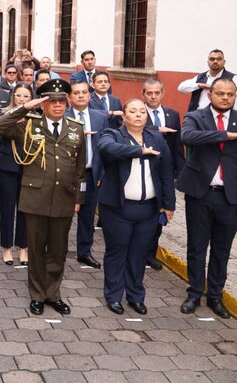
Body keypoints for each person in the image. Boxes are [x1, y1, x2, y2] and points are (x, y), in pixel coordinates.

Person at [0, 79, 86, 316]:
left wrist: (78, 198)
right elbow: (0, 127)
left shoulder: (76, 128)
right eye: (51, 102)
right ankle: (36, 295)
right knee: (35, 250)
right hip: (35, 197)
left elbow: (79, 168)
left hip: (64, 198)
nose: (57, 106)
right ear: (43, 104)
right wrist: (26, 106)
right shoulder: (29, 124)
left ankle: (53, 294)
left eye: (61, 101)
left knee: (58, 250)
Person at [97, 99, 175, 315]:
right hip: (117, 208)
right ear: (124, 115)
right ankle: (113, 296)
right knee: (117, 252)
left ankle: (135, 296)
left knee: (139, 254)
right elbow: (107, 149)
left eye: (142, 111)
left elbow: (166, 172)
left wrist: (168, 205)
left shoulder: (156, 138)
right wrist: (139, 151)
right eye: (133, 111)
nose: (139, 115)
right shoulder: (112, 135)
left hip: (148, 208)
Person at [176, 77, 237, 319]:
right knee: (197, 247)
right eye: (220, 93)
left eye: (230, 94)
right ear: (210, 94)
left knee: (222, 249)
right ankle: (194, 293)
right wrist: (227, 135)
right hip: (200, 193)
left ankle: (215, 296)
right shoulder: (196, 117)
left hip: (230, 197)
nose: (225, 98)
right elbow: (188, 137)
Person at [66, 80, 109, 269]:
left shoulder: (100, 117)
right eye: (76, 93)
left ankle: (84, 252)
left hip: (92, 173)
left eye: (84, 92)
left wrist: (103, 173)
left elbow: (105, 147)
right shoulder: (63, 117)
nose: (81, 95)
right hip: (67, 175)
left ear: (90, 96)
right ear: (70, 97)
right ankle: (57, 250)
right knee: (63, 214)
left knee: (87, 215)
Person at [142, 78, 184, 270]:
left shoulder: (173, 115)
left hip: (165, 172)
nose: (153, 96)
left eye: (156, 93)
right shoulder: (138, 113)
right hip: (144, 169)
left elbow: (177, 146)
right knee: (144, 213)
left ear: (162, 93)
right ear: (143, 94)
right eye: (149, 93)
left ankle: (151, 253)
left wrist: (179, 172)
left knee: (161, 214)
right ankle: (138, 252)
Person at [0, 83, 33, 265]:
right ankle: (6, 248)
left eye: (26, 97)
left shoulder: (35, 117)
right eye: (19, 96)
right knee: (7, 209)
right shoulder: (3, 114)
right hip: (7, 168)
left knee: (24, 210)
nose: (22, 99)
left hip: (29, 168)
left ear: (32, 99)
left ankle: (23, 248)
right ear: (13, 96)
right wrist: (14, 117)